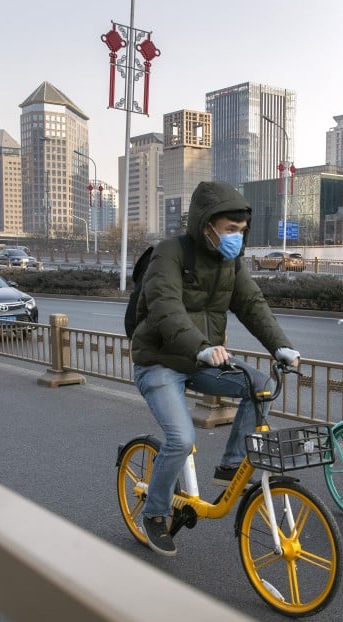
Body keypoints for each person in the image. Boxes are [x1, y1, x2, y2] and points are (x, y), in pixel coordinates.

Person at [130, 181, 301, 557]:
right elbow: (165, 309)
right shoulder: (169, 254)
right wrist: (203, 348)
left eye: (241, 232)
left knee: (260, 384)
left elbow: (253, 304)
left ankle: (231, 464)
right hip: (158, 361)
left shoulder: (230, 263)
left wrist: (282, 346)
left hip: (200, 359)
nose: (236, 238)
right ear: (206, 225)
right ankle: (155, 514)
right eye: (229, 230)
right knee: (181, 438)